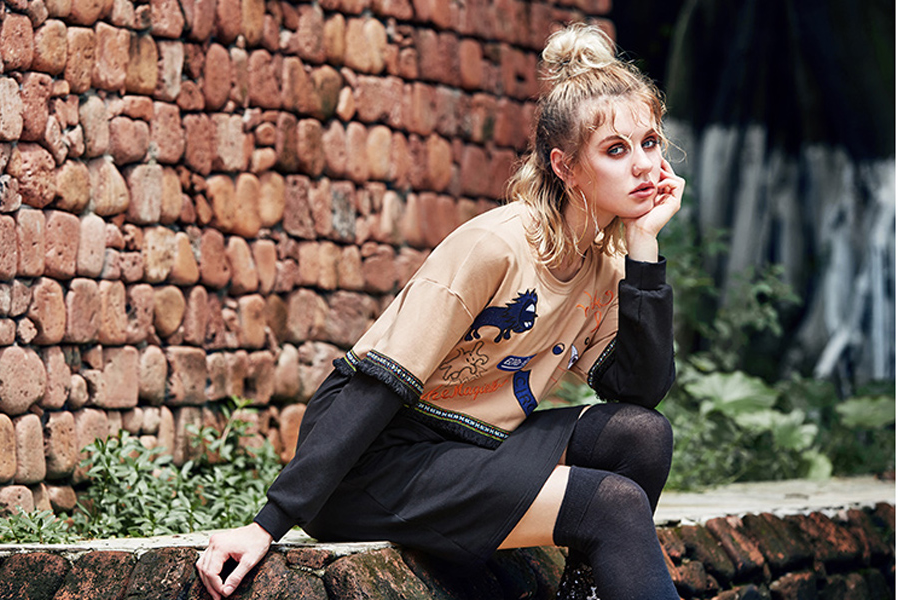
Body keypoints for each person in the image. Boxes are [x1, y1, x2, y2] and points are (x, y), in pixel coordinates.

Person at [197, 22, 684, 600]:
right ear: (565, 166)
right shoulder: (496, 246)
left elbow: (639, 392)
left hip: (474, 445)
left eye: (649, 143)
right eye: (616, 150)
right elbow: (378, 385)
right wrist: (268, 523)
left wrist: (644, 251)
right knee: (612, 503)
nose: (643, 166)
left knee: (642, 436)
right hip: (380, 462)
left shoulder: (605, 264)